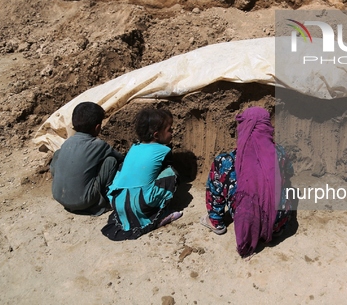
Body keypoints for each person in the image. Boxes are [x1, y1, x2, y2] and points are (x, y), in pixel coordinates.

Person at [200, 107, 293, 258]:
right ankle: (277, 225)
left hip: (247, 223)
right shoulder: (281, 153)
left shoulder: (226, 161)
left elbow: (216, 192)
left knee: (218, 181)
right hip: (276, 224)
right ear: (267, 127)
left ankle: (215, 221)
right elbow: (289, 174)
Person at [101, 107, 182, 241]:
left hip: (117, 201)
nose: (172, 132)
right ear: (156, 135)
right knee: (171, 174)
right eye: (169, 130)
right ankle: (158, 214)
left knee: (123, 169)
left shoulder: (134, 147)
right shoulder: (163, 150)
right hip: (140, 203)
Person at [50, 102, 124, 216]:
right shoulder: (98, 145)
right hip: (83, 201)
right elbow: (120, 158)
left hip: (59, 196)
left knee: (59, 154)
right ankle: (104, 199)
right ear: (97, 127)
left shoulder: (67, 142)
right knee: (110, 161)